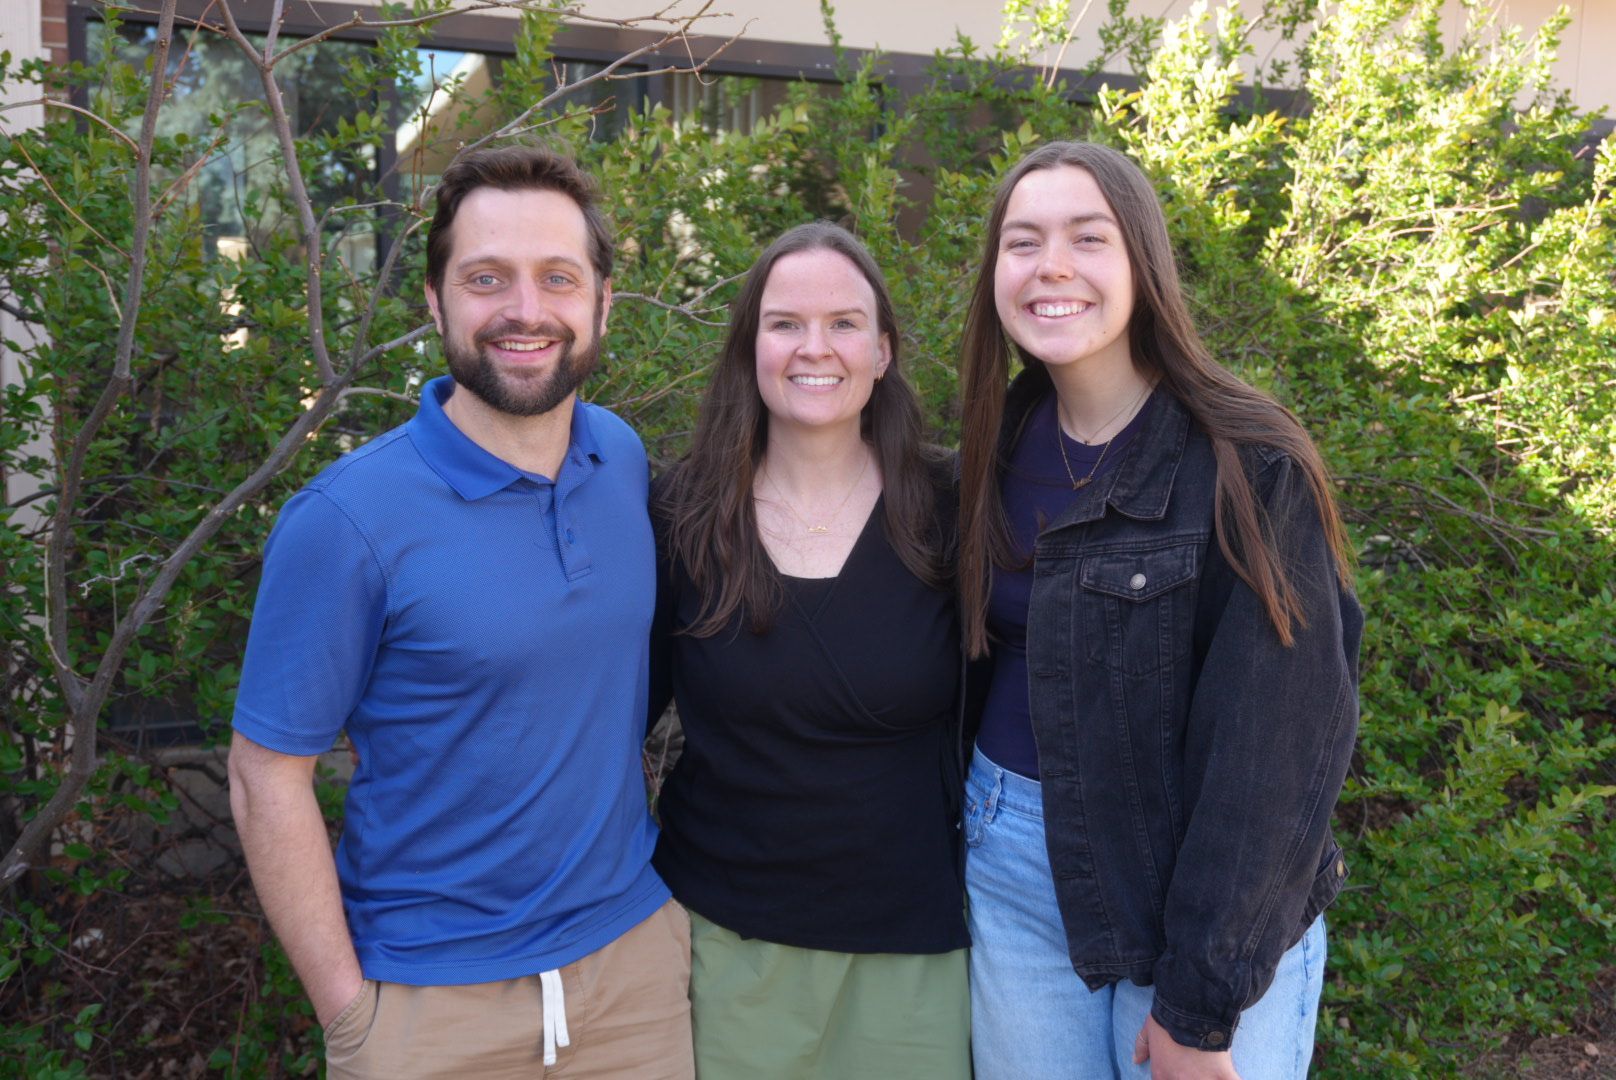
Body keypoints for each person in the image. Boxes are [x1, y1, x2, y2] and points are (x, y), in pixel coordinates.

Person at [227, 146, 692, 1080]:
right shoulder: (347, 521)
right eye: (487, 279)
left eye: (557, 278)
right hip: (430, 1012)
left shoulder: (621, 459)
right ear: (436, 303)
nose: (525, 310)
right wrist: (350, 1015)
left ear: (602, 303)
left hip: (635, 980)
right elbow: (264, 774)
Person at [955, 141, 1363, 1080]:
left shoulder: (1247, 464)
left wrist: (1199, 1002)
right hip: (1011, 872)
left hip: (1188, 898)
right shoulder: (997, 443)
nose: (1051, 264)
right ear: (994, 279)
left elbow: (1278, 749)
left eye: (1086, 237)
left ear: (1143, 262)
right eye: (1022, 243)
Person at [649, 222, 970, 1080]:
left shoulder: (956, 506)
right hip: (726, 939)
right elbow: (612, 720)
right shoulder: (680, 513)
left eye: (843, 323)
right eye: (785, 323)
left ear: (883, 351)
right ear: (750, 347)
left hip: (913, 950)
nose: (813, 348)